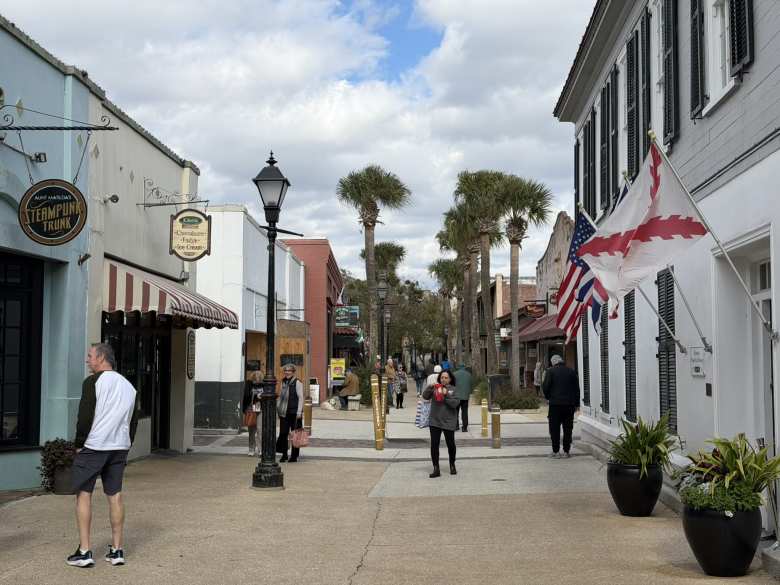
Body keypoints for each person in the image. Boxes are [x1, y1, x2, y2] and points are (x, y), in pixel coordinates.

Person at [67, 343, 139, 568]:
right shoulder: (129, 386)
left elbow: (85, 416)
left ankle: (85, 551)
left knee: (84, 493)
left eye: (90, 356)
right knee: (115, 494)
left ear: (101, 358)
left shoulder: (92, 382)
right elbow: (132, 420)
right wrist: (126, 444)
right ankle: (117, 550)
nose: (88, 360)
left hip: (94, 445)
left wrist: (79, 443)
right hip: (119, 446)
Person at [422, 369, 460, 477]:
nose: (443, 379)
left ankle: (452, 465)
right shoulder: (435, 388)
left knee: (451, 445)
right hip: (435, 421)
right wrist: (429, 387)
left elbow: (455, 404)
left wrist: (446, 394)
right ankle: (436, 468)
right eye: (442, 377)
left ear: (450, 379)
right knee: (434, 445)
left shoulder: (453, 389)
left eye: (446, 377)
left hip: (448, 421)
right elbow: (425, 397)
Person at [542, 354, 580, 459]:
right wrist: (577, 404)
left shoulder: (550, 371)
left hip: (555, 405)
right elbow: (577, 389)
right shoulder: (571, 372)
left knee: (554, 429)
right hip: (569, 405)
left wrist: (549, 397)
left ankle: (556, 452)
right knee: (568, 428)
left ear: (553, 362)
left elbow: (545, 387)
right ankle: (566, 452)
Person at [276, 364, 304, 462]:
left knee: (295, 435)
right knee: (283, 433)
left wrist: (299, 412)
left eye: (289, 371)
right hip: (284, 412)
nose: (287, 372)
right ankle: (284, 455)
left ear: (293, 372)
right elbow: (280, 395)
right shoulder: (283, 381)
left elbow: (301, 397)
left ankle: (294, 456)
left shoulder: (297, 382)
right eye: (285, 370)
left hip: (295, 412)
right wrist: (278, 409)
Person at [242, 370, 263, 455]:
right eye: (255, 379)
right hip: (251, 409)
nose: (256, 381)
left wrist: (261, 396)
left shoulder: (264, 384)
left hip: (260, 409)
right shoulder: (248, 384)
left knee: (260, 429)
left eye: (258, 379)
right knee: (251, 430)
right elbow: (246, 396)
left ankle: (260, 449)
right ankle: (251, 449)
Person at [453, 363, 473, 432]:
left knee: (455, 411)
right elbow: (471, 385)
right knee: (464, 412)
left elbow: (452, 385)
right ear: (464, 367)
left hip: (456, 396)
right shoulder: (469, 374)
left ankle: (456, 426)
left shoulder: (454, 374)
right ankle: (465, 427)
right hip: (465, 396)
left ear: (458, 367)